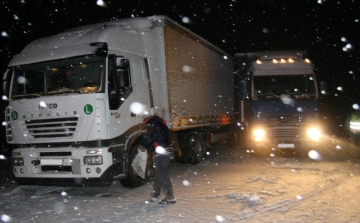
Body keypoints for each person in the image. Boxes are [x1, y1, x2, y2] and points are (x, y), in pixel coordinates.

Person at [140, 114, 176, 204]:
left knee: (162, 174)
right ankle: (155, 195)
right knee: (159, 173)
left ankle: (170, 197)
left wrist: (142, 145)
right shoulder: (162, 125)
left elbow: (147, 139)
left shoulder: (151, 125)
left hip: (160, 152)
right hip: (166, 151)